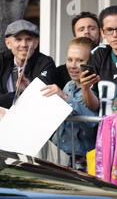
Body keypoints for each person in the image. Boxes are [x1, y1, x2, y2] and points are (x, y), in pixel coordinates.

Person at [41, 37, 98, 171]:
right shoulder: (69, 85)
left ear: (91, 63)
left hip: (81, 159)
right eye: (70, 59)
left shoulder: (94, 87)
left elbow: (92, 120)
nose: (73, 65)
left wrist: (64, 97)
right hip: (59, 154)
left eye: (80, 60)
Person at [80, 5, 117, 116]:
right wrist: (85, 89)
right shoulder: (98, 54)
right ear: (102, 32)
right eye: (109, 30)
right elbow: (93, 106)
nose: (115, 35)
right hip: (106, 130)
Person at [0, 19, 56, 109]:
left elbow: (41, 96)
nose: (24, 44)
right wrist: (25, 94)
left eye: (28, 39)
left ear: (36, 42)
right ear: (8, 43)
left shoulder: (45, 63)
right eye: (18, 39)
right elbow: (33, 95)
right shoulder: (2, 61)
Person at [55, 12, 102, 90]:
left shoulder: (109, 66)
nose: (87, 32)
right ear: (75, 39)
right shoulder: (62, 72)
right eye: (81, 29)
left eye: (92, 28)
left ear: (101, 35)